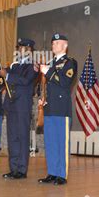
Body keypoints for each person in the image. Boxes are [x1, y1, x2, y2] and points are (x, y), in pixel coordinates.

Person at [38, 33, 77, 185]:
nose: (54, 45)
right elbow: (46, 85)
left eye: (57, 42)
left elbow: (65, 82)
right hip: (49, 108)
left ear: (65, 46)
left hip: (61, 108)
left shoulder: (70, 62)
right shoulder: (50, 62)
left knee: (61, 142)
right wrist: (43, 97)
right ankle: (52, 172)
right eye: (53, 43)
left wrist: (48, 71)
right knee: (51, 142)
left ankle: (62, 174)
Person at [0, 38, 38, 180]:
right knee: (12, 137)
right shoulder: (14, 65)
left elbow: (25, 80)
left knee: (22, 137)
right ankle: (13, 168)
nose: (20, 50)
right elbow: (0, 72)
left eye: (23, 48)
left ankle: (22, 170)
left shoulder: (32, 65)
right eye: (19, 48)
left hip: (22, 106)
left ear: (30, 50)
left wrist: (7, 75)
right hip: (11, 104)